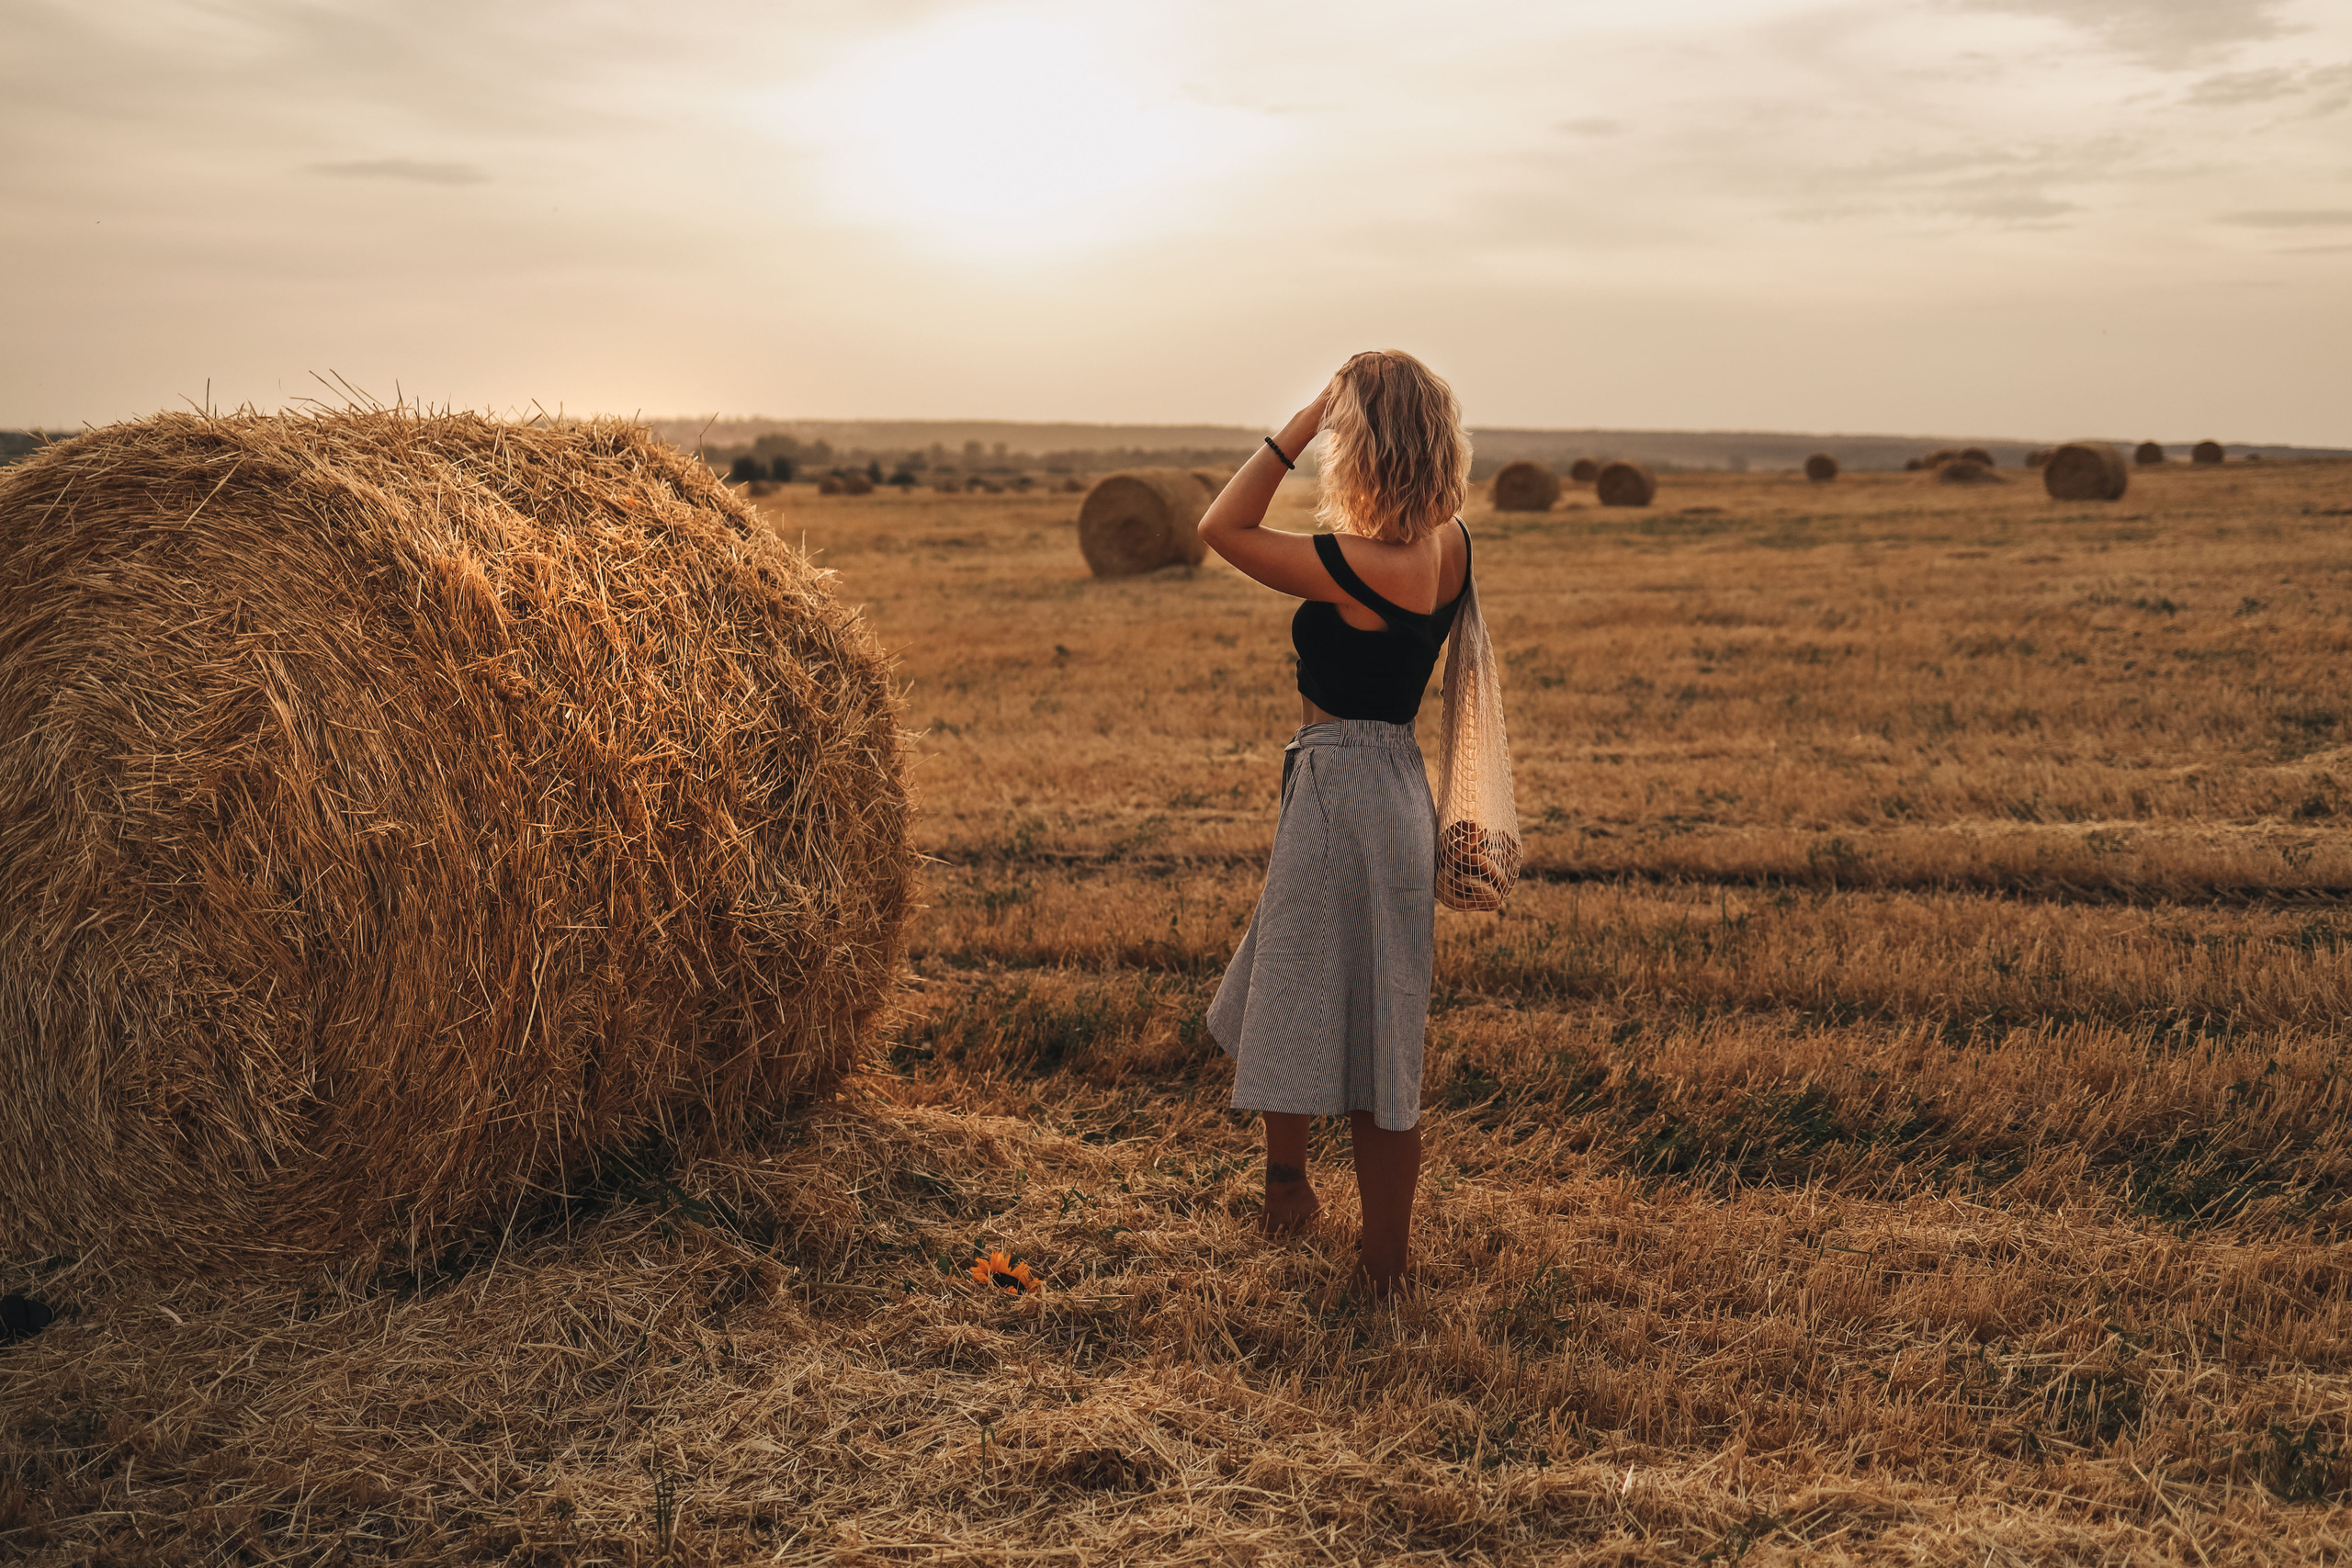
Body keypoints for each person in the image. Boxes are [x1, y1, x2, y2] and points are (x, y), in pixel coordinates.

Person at [1197, 349, 1474, 1298]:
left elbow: (1218, 526)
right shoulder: (1451, 542)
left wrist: (1300, 419)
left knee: (1368, 1034)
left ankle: (1384, 1265)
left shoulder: (1364, 567)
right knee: (1301, 982)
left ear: (1364, 446)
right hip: (1389, 783)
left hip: (1342, 792)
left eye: (1342, 435)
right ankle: (1288, 1190)